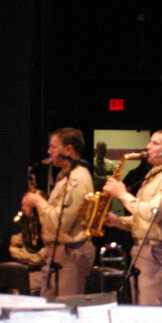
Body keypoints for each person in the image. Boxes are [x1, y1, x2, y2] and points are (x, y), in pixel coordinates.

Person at [103, 130, 162, 305]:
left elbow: (152, 213)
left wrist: (122, 194)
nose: (148, 147)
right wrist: (118, 221)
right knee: (139, 308)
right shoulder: (154, 174)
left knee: (150, 310)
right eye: (150, 142)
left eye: (154, 143)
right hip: (143, 249)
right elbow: (143, 219)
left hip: (157, 252)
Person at [21, 127, 96, 298]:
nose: (49, 152)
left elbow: (60, 222)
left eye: (53, 147)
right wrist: (39, 200)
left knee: (67, 308)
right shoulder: (64, 176)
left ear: (68, 150)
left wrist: (38, 202)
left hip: (71, 253)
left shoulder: (77, 179)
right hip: (58, 252)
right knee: (50, 309)